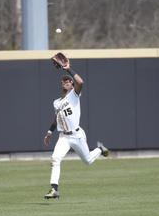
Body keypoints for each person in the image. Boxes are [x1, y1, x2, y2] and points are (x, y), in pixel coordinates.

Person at [43, 55, 109, 199]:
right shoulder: (56, 102)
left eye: (68, 81)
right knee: (55, 159)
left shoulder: (74, 94)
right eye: (64, 80)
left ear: (72, 85)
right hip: (63, 137)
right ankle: (54, 189)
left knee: (88, 161)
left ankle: (100, 149)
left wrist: (69, 69)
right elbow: (57, 118)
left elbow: (81, 81)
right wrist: (49, 132)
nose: (66, 82)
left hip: (77, 135)